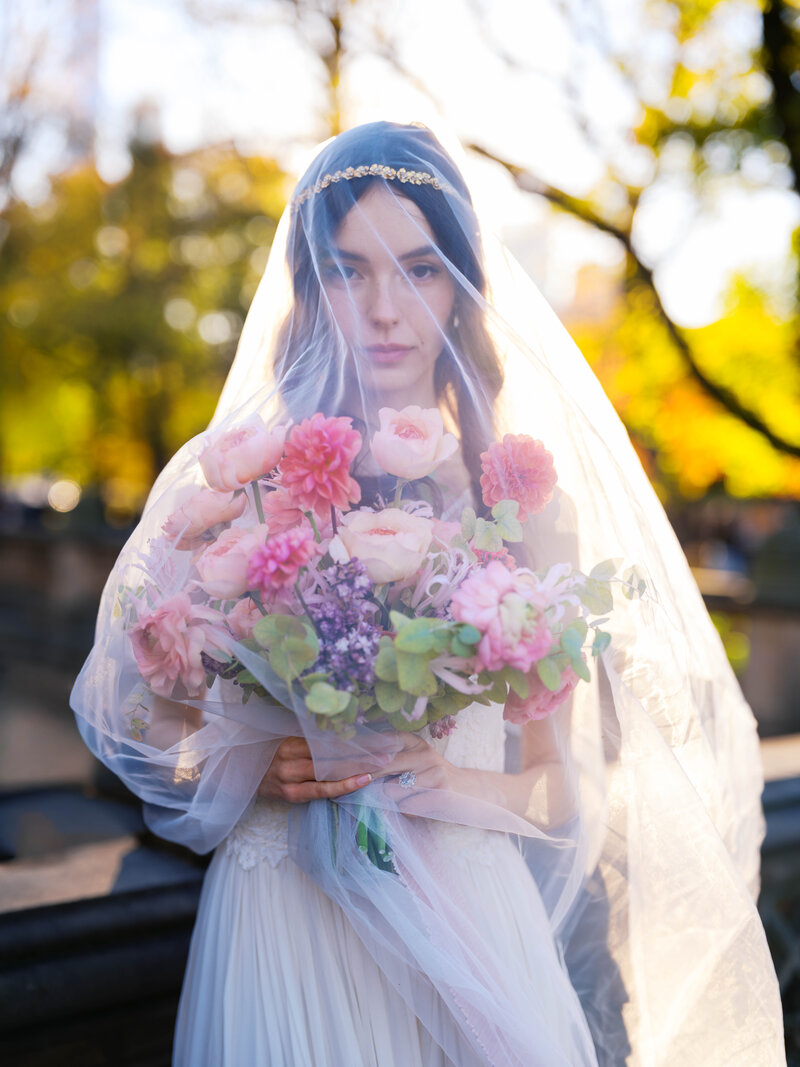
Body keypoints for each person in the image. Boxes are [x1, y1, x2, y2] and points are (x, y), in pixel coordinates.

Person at [70, 121, 785, 1066]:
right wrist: (252, 770)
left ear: (462, 288)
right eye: (347, 271)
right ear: (309, 290)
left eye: (420, 267)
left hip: (467, 926)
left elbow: (559, 794)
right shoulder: (232, 488)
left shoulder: (524, 503)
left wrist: (452, 779)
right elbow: (150, 726)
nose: (386, 307)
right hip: (284, 917)